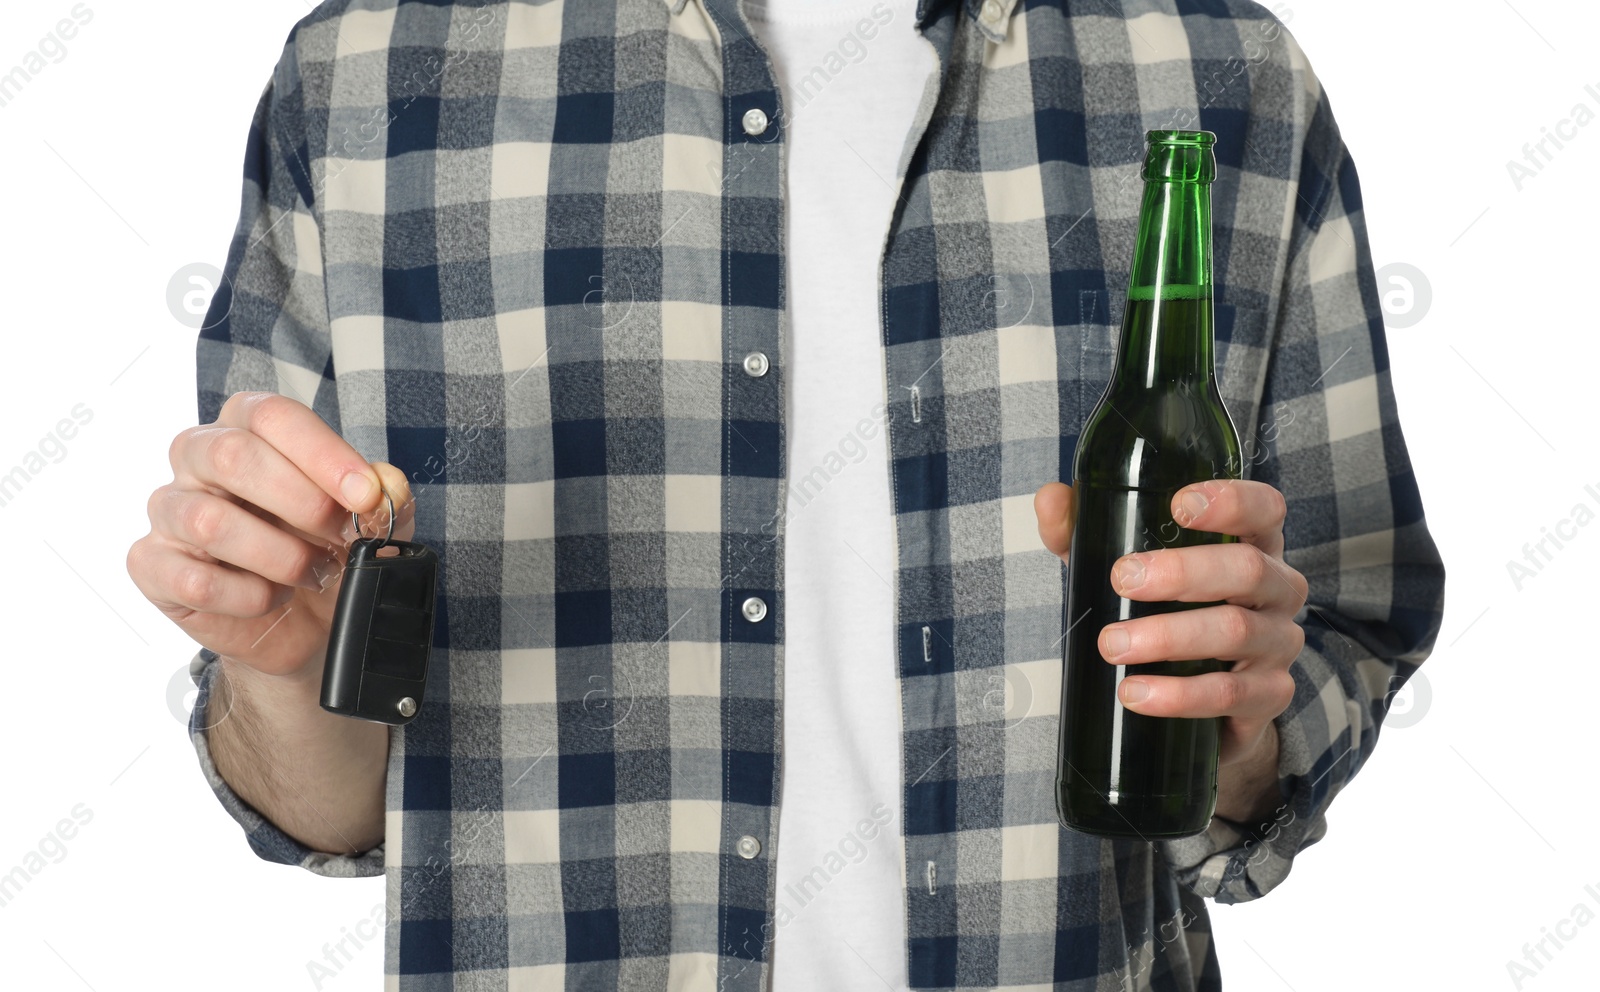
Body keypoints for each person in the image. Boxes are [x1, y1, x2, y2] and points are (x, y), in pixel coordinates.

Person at [126, 0, 1445, 988]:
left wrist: (1232, 726)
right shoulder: (367, 75)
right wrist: (286, 672)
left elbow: (1353, 618)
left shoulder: (1223, 76)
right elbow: (315, 796)